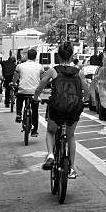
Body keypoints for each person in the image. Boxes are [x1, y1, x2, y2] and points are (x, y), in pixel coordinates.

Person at [34, 42, 89, 179]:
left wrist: (36, 96)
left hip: (57, 108)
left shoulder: (54, 71)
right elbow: (87, 89)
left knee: (51, 131)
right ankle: (71, 168)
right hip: (73, 108)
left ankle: (51, 154)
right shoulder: (79, 72)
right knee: (70, 136)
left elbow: (41, 85)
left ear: (58, 56)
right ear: (72, 56)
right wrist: (85, 99)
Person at [12, 49, 44, 137]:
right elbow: (43, 79)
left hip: (23, 90)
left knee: (19, 99)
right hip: (34, 92)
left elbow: (15, 77)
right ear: (36, 56)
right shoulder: (40, 67)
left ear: (27, 56)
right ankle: (34, 130)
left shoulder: (20, 66)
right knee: (35, 110)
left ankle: (18, 114)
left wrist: (13, 83)